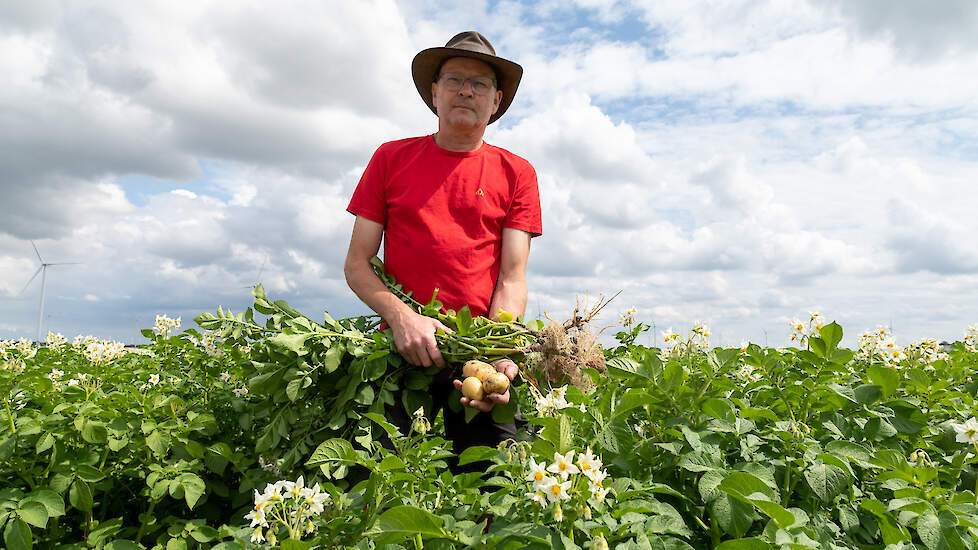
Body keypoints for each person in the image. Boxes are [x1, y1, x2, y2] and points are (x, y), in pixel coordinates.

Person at [343, 31, 542, 453]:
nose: (466, 90)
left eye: (480, 83)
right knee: (377, 479)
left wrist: (495, 353)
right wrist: (402, 319)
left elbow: (512, 277)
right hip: (400, 351)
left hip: (479, 352)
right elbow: (358, 263)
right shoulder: (389, 158)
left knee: (495, 487)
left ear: (496, 101)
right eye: (454, 79)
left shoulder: (517, 173)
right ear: (435, 93)